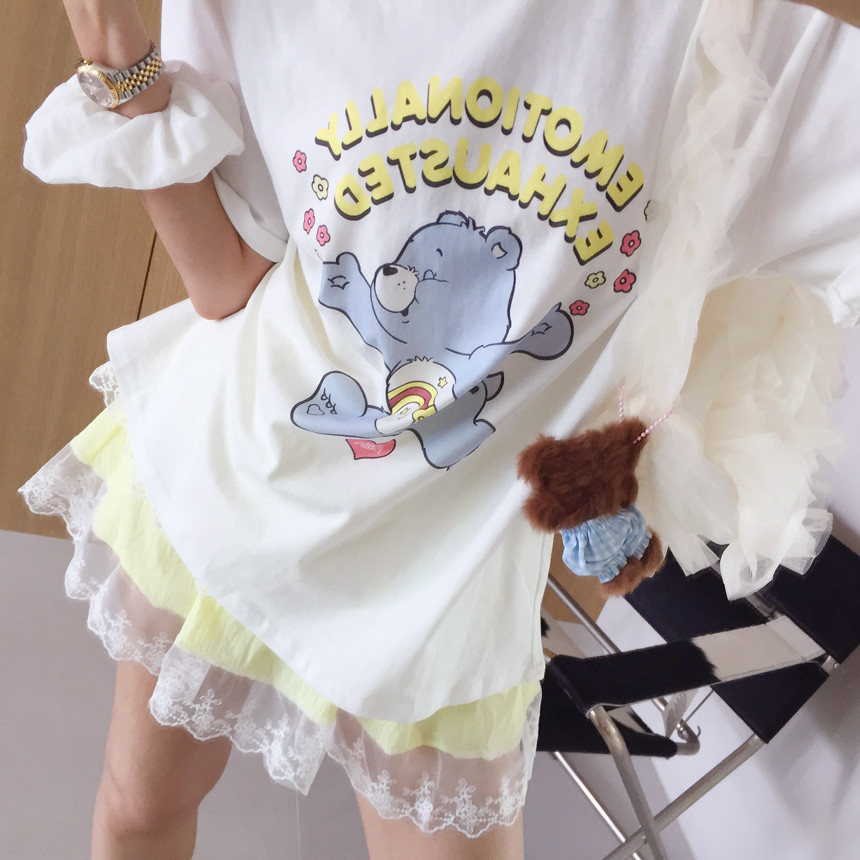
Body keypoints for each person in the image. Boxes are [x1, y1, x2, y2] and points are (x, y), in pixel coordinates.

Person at [21, 1, 860, 857]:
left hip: (454, 586)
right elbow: (231, 277)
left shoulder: (743, 42)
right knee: (141, 808)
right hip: (241, 481)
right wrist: (121, 62)